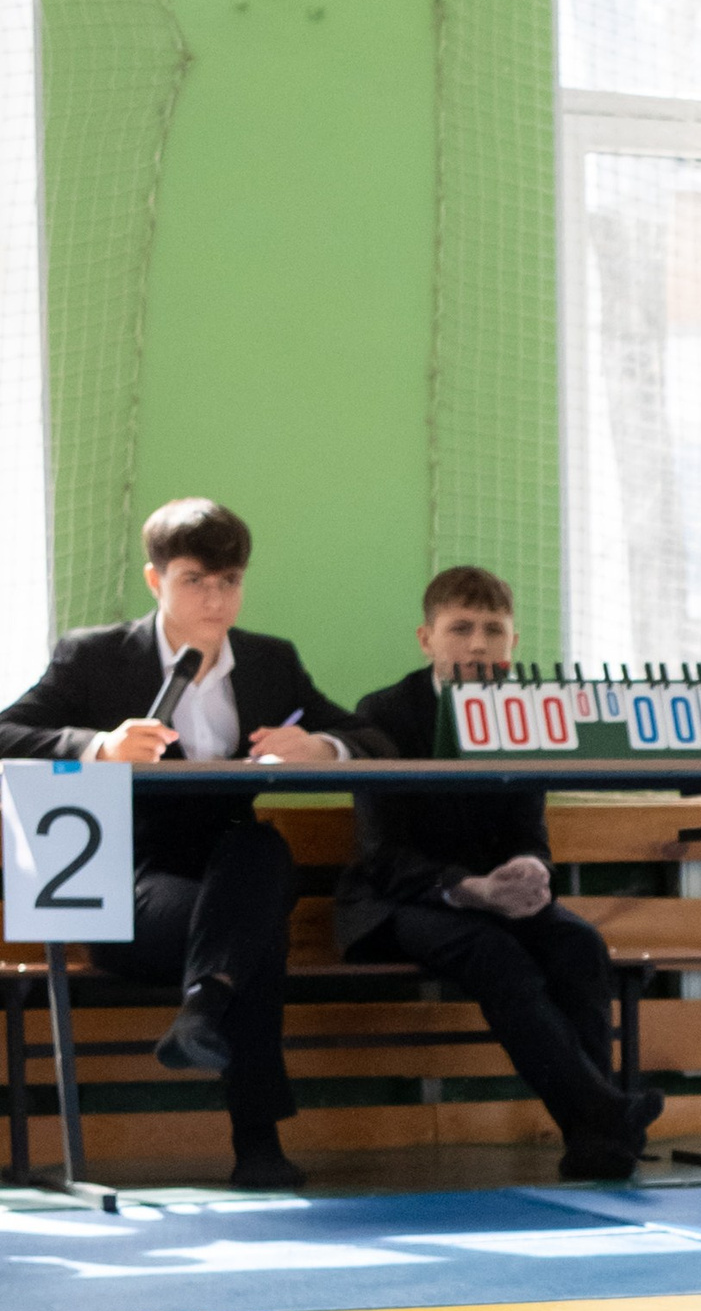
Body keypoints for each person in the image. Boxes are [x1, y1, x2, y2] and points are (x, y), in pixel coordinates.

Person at [0, 497, 367, 1187]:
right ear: (155, 580)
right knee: (257, 930)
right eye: (196, 580)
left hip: (231, 872)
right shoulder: (95, 657)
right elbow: (5, 733)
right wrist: (96, 746)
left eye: (230, 581)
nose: (215, 598)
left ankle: (203, 1009)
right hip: (121, 886)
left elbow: (375, 739)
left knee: (261, 854)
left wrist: (323, 744)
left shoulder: (269, 662)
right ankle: (256, 1143)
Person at [335, 565, 665, 1180]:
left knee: (578, 944)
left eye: (494, 630)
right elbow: (382, 855)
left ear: (514, 645)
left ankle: (596, 1140)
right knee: (495, 954)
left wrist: (530, 871)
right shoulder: (383, 713)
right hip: (403, 903)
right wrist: (468, 888)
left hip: (500, 898)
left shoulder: (524, 715)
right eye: (461, 628)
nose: (479, 644)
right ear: (426, 639)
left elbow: (528, 833)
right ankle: (605, 1114)